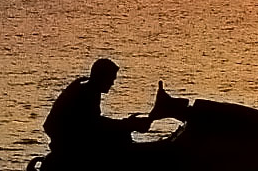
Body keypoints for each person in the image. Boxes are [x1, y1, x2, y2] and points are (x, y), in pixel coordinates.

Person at [42, 58, 190, 157]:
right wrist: (127, 125)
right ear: (102, 77)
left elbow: (93, 122)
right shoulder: (86, 93)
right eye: (111, 79)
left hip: (72, 137)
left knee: (121, 135)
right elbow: (92, 125)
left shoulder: (87, 89)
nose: (112, 83)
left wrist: (125, 124)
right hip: (70, 143)